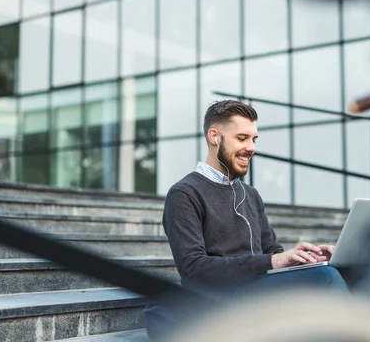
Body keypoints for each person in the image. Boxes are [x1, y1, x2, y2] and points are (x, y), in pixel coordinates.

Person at [144, 100, 348, 340]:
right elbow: (194, 269)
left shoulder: (250, 194)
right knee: (326, 278)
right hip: (218, 298)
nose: (251, 147)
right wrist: (272, 261)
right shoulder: (184, 194)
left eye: (254, 139)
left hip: (257, 290)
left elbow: (272, 251)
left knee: (343, 270)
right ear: (214, 136)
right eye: (242, 138)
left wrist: (307, 260)